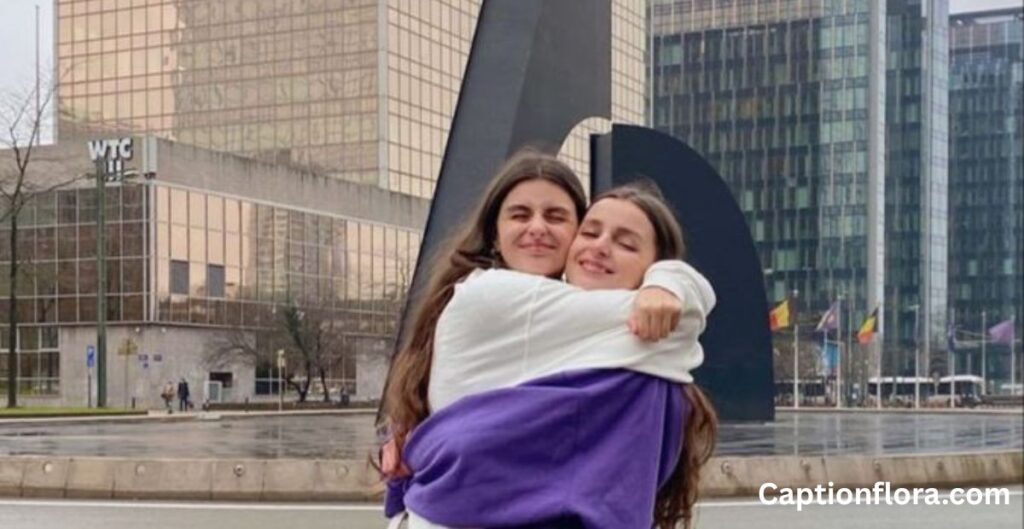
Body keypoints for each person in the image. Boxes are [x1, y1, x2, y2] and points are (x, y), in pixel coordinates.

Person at [383, 150, 717, 529]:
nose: (538, 228)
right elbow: (679, 326)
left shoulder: (591, 347)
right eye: (519, 215)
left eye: (557, 217)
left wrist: (667, 279)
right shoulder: (490, 293)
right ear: (494, 234)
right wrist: (669, 282)